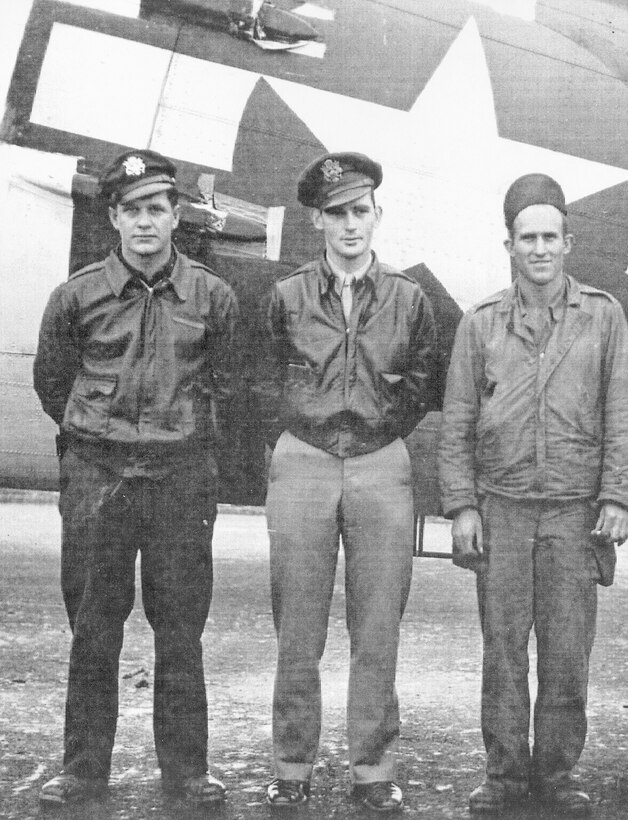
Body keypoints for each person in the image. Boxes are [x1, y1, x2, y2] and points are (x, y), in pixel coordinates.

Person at [33, 149, 237, 808]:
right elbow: (53, 384)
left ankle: (186, 777)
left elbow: (234, 387)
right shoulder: (78, 295)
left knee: (180, 633)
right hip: (99, 478)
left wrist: (190, 447)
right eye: (132, 210)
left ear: (176, 214)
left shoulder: (213, 295)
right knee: (94, 630)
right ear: (113, 217)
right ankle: (82, 775)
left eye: (157, 208)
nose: (145, 222)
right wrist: (96, 444)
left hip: (179, 481)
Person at [439, 173, 628, 816]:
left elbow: (622, 415)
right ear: (509, 244)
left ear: (569, 242)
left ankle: (556, 775)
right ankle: (503, 776)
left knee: (565, 653)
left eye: (551, 236)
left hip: (573, 512)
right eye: (527, 237)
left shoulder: (604, 317)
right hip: (502, 508)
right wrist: (462, 507)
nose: (540, 248)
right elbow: (458, 422)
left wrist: (617, 496)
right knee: (502, 651)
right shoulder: (480, 324)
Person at [257, 152, 436, 812]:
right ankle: (291, 765)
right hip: (303, 458)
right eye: (337, 214)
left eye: (361, 211)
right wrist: (301, 426)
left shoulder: (409, 299)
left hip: (380, 461)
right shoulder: (287, 296)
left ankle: (374, 768)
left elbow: (422, 381)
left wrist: (379, 424)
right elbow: (263, 377)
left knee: (378, 622)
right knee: (297, 626)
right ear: (317, 221)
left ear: (377, 215)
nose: (351, 224)